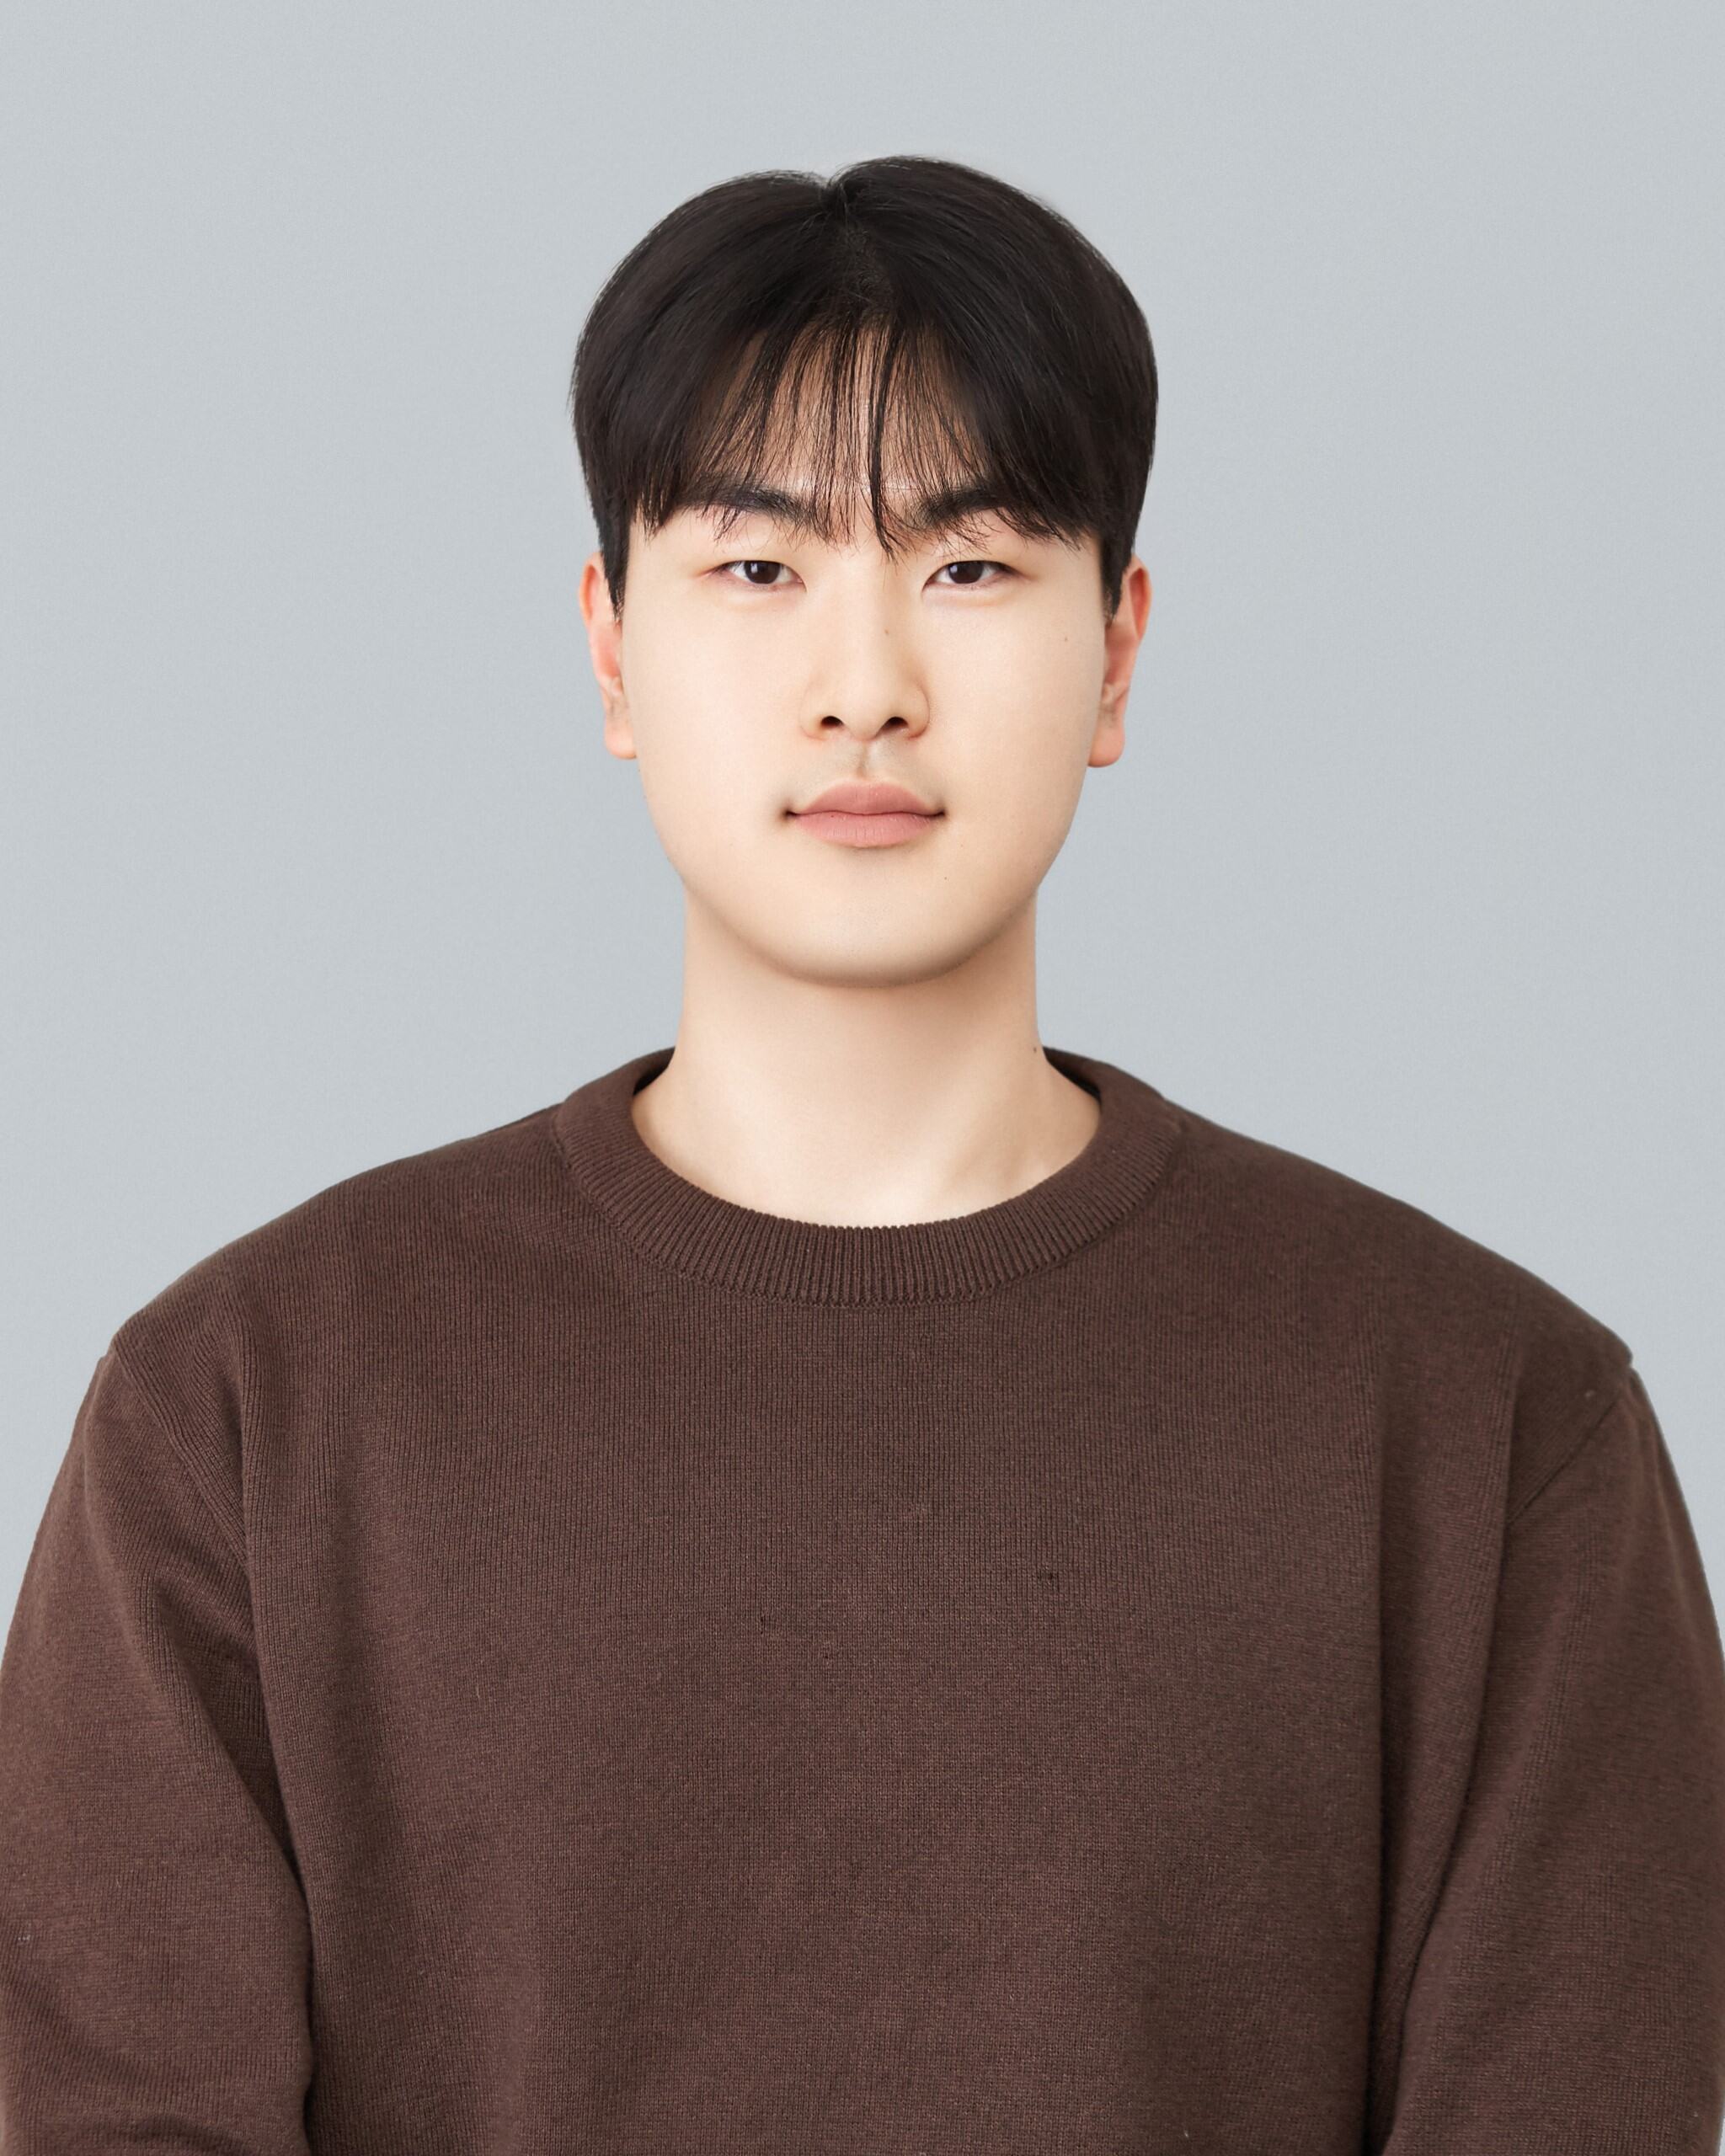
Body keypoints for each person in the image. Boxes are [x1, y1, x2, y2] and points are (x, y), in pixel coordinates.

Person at [3, 153, 1722, 2154]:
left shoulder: (1496, 1425)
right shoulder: (240, 1406)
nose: (867, 684)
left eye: (972, 566)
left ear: (1122, 650)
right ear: (608, 647)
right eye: (755, 566)